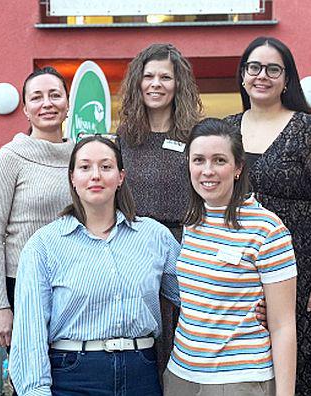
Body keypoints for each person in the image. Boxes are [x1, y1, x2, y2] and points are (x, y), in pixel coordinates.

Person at [224, 36, 311, 395]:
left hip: (304, 273)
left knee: (305, 372)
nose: (262, 75)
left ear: (286, 79)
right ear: (243, 75)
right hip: (242, 271)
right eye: (254, 67)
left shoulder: (310, 131)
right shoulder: (225, 131)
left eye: (273, 69)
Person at [10, 135, 180, 396]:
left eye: (106, 166)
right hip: (74, 375)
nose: (96, 175)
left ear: (121, 177)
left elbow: (196, 296)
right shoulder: (44, 245)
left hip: (141, 373)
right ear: (72, 178)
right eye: (85, 167)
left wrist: (257, 306)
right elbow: (29, 332)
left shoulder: (155, 237)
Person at [164, 118, 297, 396]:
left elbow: (283, 326)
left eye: (219, 160)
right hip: (181, 375)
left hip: (239, 380)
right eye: (198, 160)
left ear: (237, 168)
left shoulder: (267, 229)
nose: (207, 171)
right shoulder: (191, 223)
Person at [117, 43, 203, 375]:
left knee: (187, 348)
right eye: (149, 76)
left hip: (188, 253)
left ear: (178, 84)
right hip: (135, 256)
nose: (156, 84)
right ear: (138, 83)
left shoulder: (196, 135)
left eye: (165, 77)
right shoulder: (123, 139)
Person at [0, 66, 74, 351]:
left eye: (55, 95)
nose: (47, 103)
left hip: (74, 283)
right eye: (37, 97)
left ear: (67, 104)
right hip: (22, 286)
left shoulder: (80, 157)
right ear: (25, 109)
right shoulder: (11, 157)